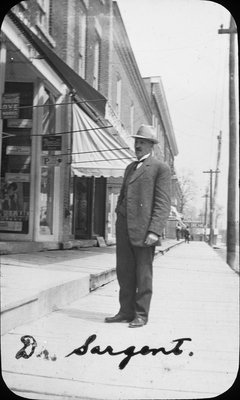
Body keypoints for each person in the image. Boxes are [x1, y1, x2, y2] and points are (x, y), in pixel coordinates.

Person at [105, 125, 171, 328]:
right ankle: (125, 311)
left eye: (142, 142)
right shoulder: (130, 167)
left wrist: (154, 230)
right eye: (137, 141)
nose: (137, 145)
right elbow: (124, 194)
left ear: (151, 145)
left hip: (144, 230)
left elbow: (162, 202)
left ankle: (141, 314)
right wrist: (118, 214)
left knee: (143, 273)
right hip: (124, 227)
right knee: (124, 271)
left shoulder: (160, 168)